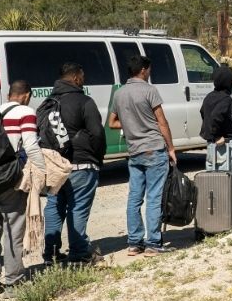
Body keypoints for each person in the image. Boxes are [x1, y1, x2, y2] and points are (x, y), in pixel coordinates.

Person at [109, 55, 177, 256]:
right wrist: (171, 148)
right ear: (143, 70)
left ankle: (134, 243)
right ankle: (153, 244)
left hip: (134, 152)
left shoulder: (119, 94)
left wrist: (131, 124)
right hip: (153, 149)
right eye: (149, 70)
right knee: (154, 197)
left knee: (134, 198)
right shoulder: (149, 90)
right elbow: (162, 122)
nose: (150, 73)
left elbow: (112, 123)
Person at [0, 81, 43, 296]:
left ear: (10, 94)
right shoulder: (26, 111)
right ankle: (13, 281)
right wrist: (42, 171)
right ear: (27, 94)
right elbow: (31, 145)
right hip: (11, 177)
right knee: (14, 229)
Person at [43, 62, 106, 265]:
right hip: (81, 164)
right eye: (83, 76)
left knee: (54, 207)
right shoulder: (84, 101)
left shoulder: (47, 103)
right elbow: (97, 133)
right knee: (77, 207)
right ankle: (79, 252)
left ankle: (51, 254)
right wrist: (97, 157)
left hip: (54, 167)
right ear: (77, 78)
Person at [199, 64, 232, 171]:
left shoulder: (209, 96)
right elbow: (216, 117)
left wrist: (211, 134)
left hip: (211, 143)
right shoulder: (226, 99)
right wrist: (217, 135)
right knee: (227, 179)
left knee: (213, 179)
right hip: (224, 143)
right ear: (229, 82)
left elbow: (203, 112)